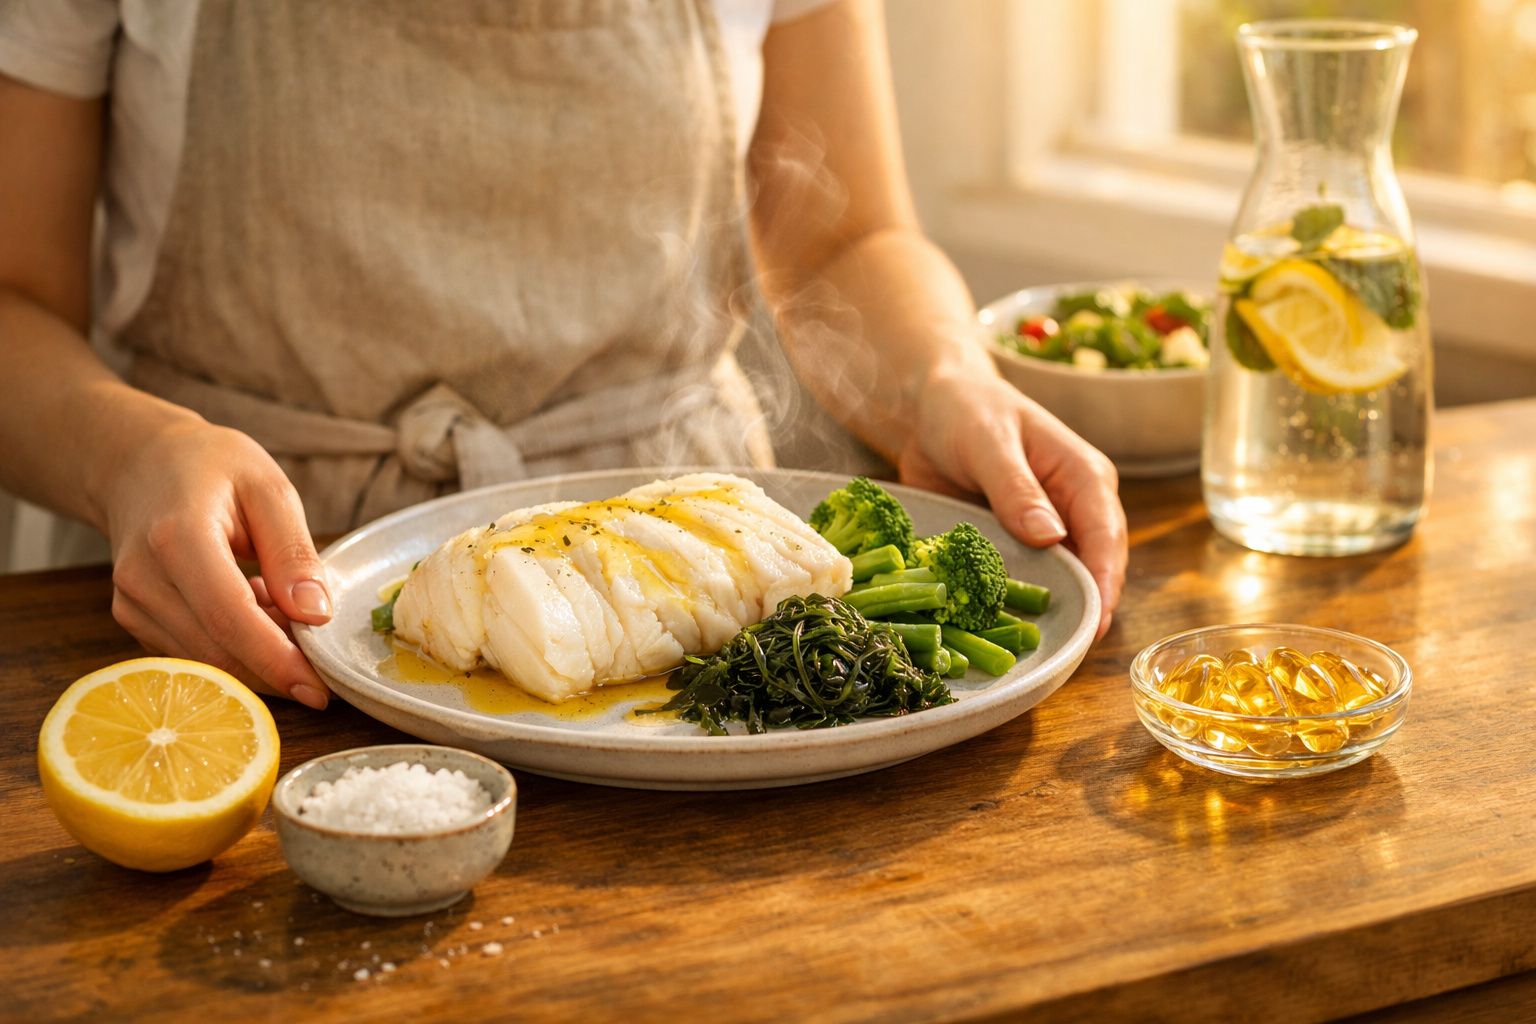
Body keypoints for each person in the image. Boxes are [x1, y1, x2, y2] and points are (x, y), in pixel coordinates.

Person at [0, 0, 1126, 711]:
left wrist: (941, 376)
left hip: (703, 625)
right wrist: (128, 455)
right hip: (228, 617)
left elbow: (843, 239)